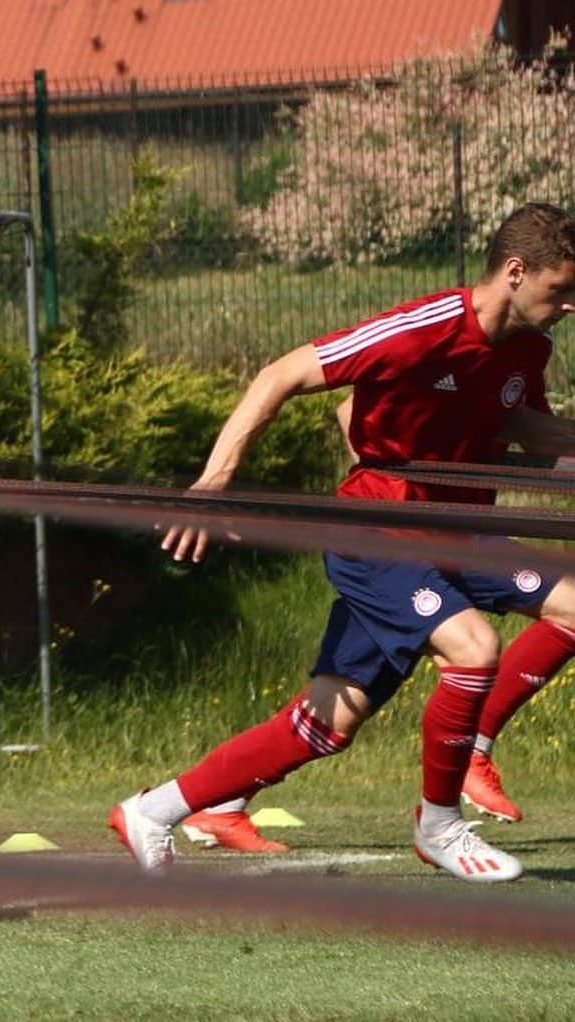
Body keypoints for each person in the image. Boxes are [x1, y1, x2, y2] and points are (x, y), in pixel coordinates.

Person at [110, 201, 575, 882]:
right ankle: (440, 823)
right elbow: (281, 377)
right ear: (514, 271)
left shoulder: (530, 347)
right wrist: (214, 482)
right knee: (473, 647)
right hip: (377, 528)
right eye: (560, 289)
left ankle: (155, 808)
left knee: (329, 723)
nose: (568, 306)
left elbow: (530, 431)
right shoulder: (424, 327)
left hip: (460, 530)